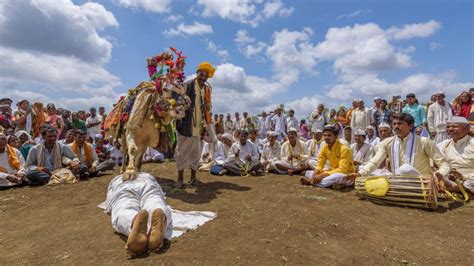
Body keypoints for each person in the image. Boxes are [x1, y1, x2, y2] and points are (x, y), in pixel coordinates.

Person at [346, 113, 450, 181]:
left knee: (406, 169)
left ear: (410, 126)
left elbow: (444, 164)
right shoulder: (386, 142)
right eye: (394, 124)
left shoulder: (424, 142)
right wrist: (360, 174)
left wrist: (439, 174)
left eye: (400, 124)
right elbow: (375, 161)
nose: (396, 126)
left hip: (422, 183)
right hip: (397, 182)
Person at [101, 172, 172, 256]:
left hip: (123, 186)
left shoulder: (116, 179)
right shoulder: (147, 175)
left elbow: (109, 203)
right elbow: (160, 193)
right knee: (154, 201)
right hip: (147, 184)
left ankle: (133, 220)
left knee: (124, 207)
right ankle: (160, 213)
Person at [175, 62, 214, 187]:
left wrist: (207, 107)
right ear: (197, 73)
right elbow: (177, 100)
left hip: (199, 127)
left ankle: (193, 178)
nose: (203, 77)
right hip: (185, 125)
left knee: (196, 153)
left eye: (205, 75)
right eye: (201, 74)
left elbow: (209, 107)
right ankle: (180, 179)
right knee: (182, 152)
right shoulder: (187, 85)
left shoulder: (207, 89)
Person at [436, 116, 473, 194]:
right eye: (448, 127)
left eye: (454, 126)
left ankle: (453, 188)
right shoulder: (444, 145)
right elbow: (435, 161)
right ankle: (454, 187)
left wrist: (463, 176)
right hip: (449, 177)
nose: (450, 129)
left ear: (466, 128)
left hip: (469, 178)